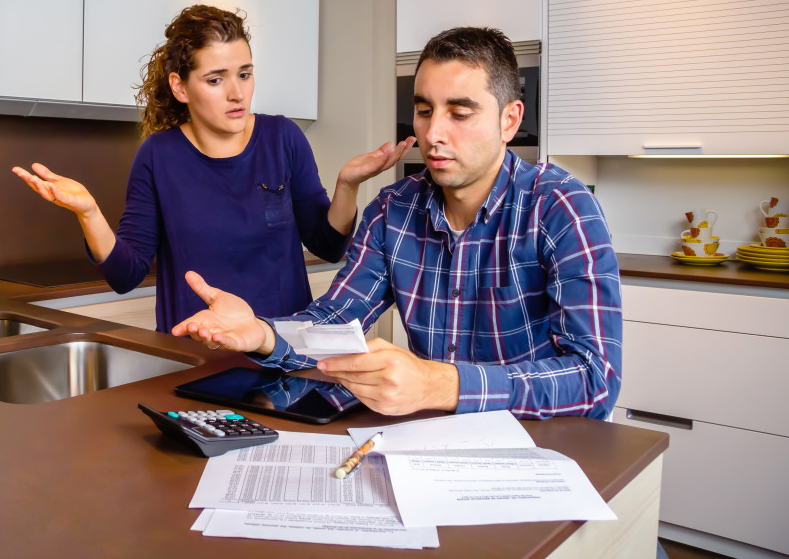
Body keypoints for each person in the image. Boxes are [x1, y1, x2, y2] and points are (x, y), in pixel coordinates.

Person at [172, 26, 622, 420]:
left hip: (536, 447)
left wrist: (438, 384)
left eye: (460, 113)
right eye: (424, 110)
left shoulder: (561, 207)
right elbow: (333, 322)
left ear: (510, 120)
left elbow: (594, 378)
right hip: (430, 442)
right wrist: (262, 334)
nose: (434, 133)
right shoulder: (394, 210)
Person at [14, 4, 414, 333]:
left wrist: (347, 186)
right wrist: (89, 213)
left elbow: (328, 247)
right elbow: (126, 275)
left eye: (244, 74)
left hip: (283, 354)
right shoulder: (159, 156)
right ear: (180, 87)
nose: (237, 93)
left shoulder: (283, 138)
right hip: (194, 357)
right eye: (215, 79)